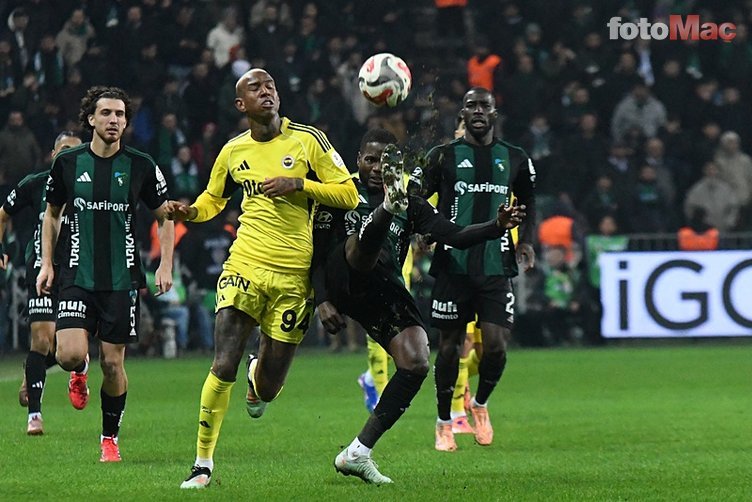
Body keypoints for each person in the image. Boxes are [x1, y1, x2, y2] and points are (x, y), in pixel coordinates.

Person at [171, 68, 358, 489]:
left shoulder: (309, 140)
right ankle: (202, 464)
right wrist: (191, 213)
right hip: (245, 264)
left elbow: (349, 193)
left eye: (270, 85)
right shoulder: (232, 151)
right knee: (223, 362)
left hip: (293, 276)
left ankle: (258, 377)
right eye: (255, 88)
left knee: (269, 388)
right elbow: (214, 198)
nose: (266, 91)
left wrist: (300, 184)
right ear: (241, 105)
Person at [313, 128, 525, 483]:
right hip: (343, 277)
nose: (376, 168)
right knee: (359, 249)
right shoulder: (339, 191)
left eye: (385, 162)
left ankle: (358, 453)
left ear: (396, 168)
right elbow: (316, 251)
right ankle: (383, 211)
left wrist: (496, 225)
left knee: (416, 361)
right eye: (370, 160)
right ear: (358, 160)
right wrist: (321, 299)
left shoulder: (411, 202)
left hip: (382, 287)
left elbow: (454, 235)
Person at [36, 86, 174, 461]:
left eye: (120, 114)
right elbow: (51, 214)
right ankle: (79, 368)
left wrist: (165, 264)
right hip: (76, 274)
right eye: (107, 113)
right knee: (68, 354)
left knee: (113, 364)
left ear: (126, 122)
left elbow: (165, 217)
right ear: (91, 119)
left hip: (121, 279)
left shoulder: (141, 165)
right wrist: (47, 263)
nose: (114, 120)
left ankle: (109, 438)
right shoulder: (68, 163)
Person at [408, 87, 537, 452]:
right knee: (449, 348)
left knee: (495, 347)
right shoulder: (442, 156)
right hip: (453, 265)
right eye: (471, 106)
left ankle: (479, 404)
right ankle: (443, 423)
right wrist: (425, 229)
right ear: (461, 114)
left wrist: (526, 241)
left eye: (484, 105)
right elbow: (415, 197)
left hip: (496, 265)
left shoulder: (515, 157)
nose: (478, 111)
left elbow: (529, 202)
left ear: (494, 113)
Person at [0, 130, 82, 435]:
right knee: (41, 340)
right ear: (53, 154)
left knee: (69, 351)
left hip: (78, 271)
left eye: (75, 151)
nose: (69, 156)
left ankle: (69, 369)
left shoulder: (90, 188)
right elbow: (2, 214)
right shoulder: (35, 184)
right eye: (64, 150)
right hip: (40, 268)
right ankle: (34, 415)